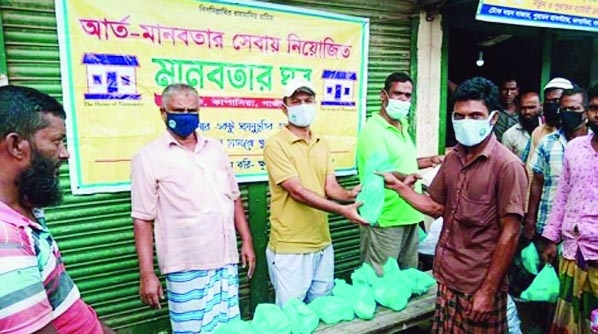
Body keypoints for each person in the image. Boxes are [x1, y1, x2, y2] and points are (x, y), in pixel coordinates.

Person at [377, 77, 528, 333]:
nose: (465, 122)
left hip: (479, 283)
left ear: (492, 119)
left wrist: (487, 292)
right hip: (447, 278)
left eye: (475, 115)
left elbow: (510, 235)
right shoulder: (453, 159)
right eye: (459, 116)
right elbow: (436, 206)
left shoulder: (507, 167)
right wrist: (401, 189)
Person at [131, 83, 256, 333]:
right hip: (187, 266)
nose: (186, 116)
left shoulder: (216, 149)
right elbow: (142, 219)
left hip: (225, 260)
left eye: (192, 110)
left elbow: (233, 198)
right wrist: (147, 274)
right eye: (179, 110)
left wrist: (247, 241)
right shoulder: (148, 157)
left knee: (229, 329)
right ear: (163, 112)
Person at [0, 85, 113, 333]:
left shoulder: (26, 210)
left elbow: (65, 304)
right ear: (16, 146)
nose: (65, 153)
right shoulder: (7, 242)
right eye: (56, 141)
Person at [263, 77, 367, 307]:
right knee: (292, 317)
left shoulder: (322, 143)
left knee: (321, 312)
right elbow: (297, 191)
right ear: (284, 107)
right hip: (291, 247)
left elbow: (330, 187)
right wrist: (342, 210)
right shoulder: (275, 145)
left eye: (307, 100)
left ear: (315, 104)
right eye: (296, 100)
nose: (302, 105)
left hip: (322, 242)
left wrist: (351, 194)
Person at [355, 71, 442, 274]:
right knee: (380, 280)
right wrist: (406, 178)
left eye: (407, 95)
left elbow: (403, 163)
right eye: (397, 94)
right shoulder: (373, 131)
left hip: (409, 212)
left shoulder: (402, 125)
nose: (403, 100)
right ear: (383, 95)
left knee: (405, 278)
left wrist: (429, 161)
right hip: (385, 216)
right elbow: (380, 170)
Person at [541, 81, 598, 334]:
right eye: (595, 108)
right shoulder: (575, 148)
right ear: (588, 112)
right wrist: (551, 239)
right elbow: (562, 195)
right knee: (570, 325)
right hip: (572, 251)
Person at [524, 85, 589, 240]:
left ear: (585, 113)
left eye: (574, 109)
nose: (568, 114)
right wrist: (530, 221)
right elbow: (537, 183)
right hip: (546, 225)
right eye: (564, 110)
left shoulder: (594, 146)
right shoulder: (546, 143)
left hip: (583, 231)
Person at [502, 91, 541, 158]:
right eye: (523, 108)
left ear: (541, 106)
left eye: (531, 107)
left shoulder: (551, 131)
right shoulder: (509, 135)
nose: (527, 112)